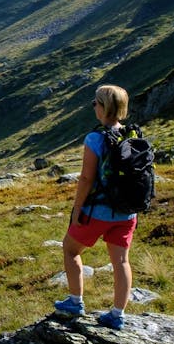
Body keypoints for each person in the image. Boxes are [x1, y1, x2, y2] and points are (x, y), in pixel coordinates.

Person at [53, 84, 136, 330]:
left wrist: (77, 209)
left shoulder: (95, 138)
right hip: (126, 212)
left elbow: (87, 178)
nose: (93, 107)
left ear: (104, 107)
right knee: (121, 261)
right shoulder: (133, 136)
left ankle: (75, 301)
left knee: (70, 249)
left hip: (98, 211)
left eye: (95, 103)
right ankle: (117, 315)